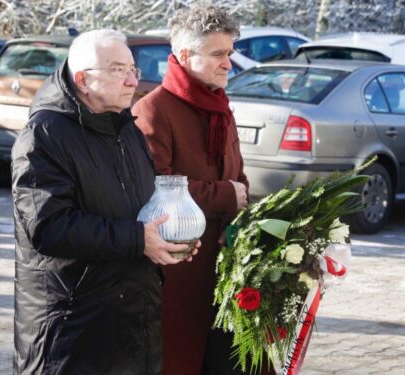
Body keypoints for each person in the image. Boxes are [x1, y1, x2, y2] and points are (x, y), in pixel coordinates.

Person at [12, 29, 197, 374]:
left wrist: (168, 236)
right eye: (118, 70)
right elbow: (49, 227)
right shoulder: (44, 135)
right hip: (72, 329)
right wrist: (138, 239)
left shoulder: (127, 129)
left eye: (133, 70)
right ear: (83, 79)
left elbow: (140, 206)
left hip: (131, 320)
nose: (132, 81)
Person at [132, 5, 263, 375]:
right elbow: (156, 188)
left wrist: (238, 222)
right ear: (186, 56)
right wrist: (226, 195)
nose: (228, 64)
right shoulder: (154, 110)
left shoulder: (219, 105)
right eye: (219, 54)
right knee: (180, 361)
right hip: (179, 271)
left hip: (224, 264)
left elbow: (238, 177)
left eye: (230, 54)